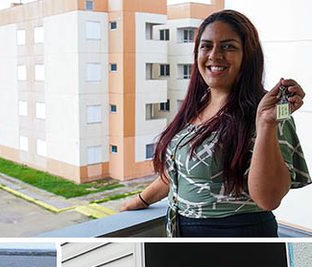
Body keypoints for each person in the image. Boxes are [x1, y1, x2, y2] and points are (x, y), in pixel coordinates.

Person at [122, 10, 309, 237]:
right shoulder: (197, 105)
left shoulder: (267, 113)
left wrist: (267, 125)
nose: (214, 55)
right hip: (182, 231)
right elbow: (179, 171)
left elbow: (268, 199)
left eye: (228, 46)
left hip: (236, 234)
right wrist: (141, 200)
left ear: (247, 56)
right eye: (206, 46)